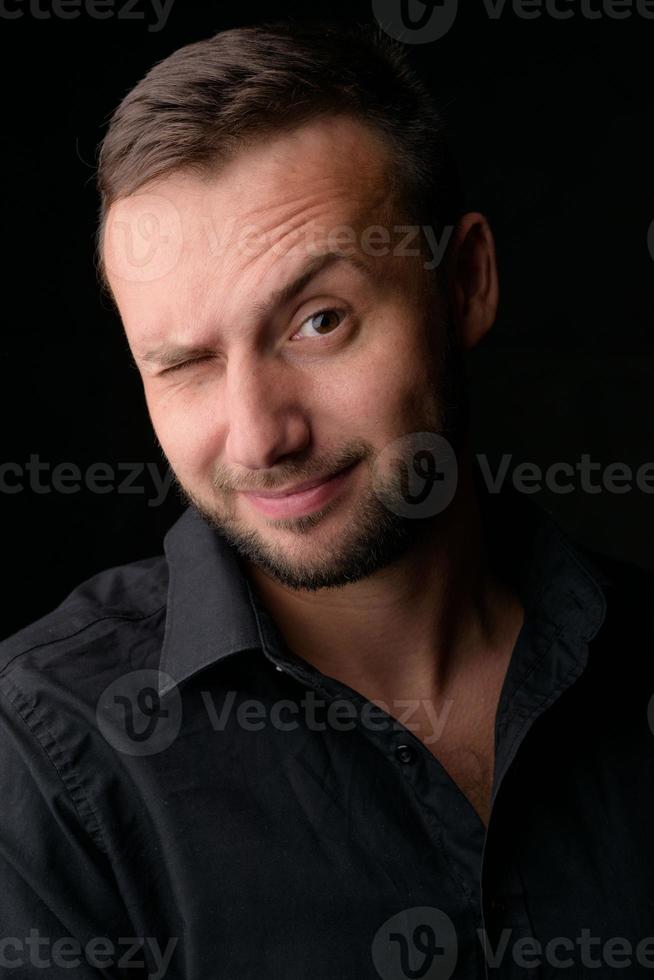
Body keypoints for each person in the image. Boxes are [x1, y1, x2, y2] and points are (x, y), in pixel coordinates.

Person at [1, 18, 653, 980]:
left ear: (466, 282)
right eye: (185, 364)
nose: (261, 435)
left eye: (318, 321)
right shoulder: (44, 759)